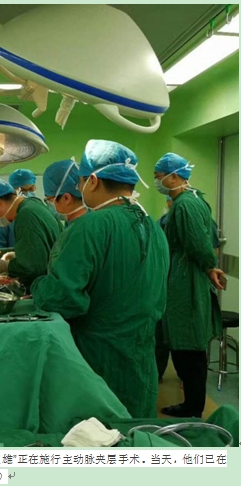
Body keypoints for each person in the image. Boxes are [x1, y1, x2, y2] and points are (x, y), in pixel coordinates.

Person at [31, 140, 170, 418]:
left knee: (96, 434)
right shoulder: (153, 228)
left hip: (97, 360)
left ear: (92, 181)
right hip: (141, 358)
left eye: (81, 181)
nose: (79, 188)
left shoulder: (90, 226)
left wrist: (37, 286)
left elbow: (63, 299)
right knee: (133, 430)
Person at [154, 152, 224, 418]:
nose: (157, 182)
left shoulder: (185, 204)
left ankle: (193, 407)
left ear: (174, 177)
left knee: (187, 346)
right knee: (186, 345)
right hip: (186, 276)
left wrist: (209, 266)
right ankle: (192, 404)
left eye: (159, 177)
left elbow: (198, 244)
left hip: (186, 282)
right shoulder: (192, 199)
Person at [0, 178, 61, 292]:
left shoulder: (25, 215)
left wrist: (4, 266)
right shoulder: (34, 204)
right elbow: (41, 250)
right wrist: (19, 255)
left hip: (47, 289)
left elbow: (31, 267)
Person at [0, 168, 36, 250]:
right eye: (23, 190)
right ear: (13, 191)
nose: (27, 193)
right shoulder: (3, 218)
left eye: (31, 189)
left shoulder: (40, 212)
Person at [43, 159, 87, 223]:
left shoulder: (79, 227)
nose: (48, 205)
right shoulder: (95, 221)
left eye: (48, 200)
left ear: (66, 198)